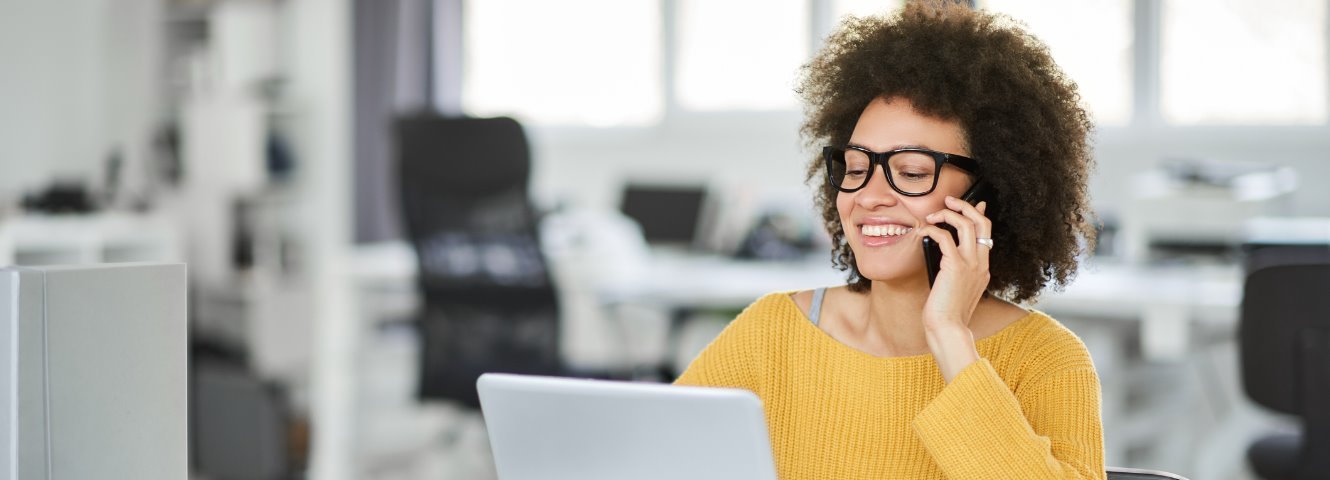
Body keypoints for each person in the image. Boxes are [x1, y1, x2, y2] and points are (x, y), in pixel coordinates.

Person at [674, 2, 1104, 479]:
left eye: (912, 173)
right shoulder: (772, 335)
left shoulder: (1046, 360)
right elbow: (646, 458)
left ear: (989, 194)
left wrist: (948, 335)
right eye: (856, 169)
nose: (870, 196)